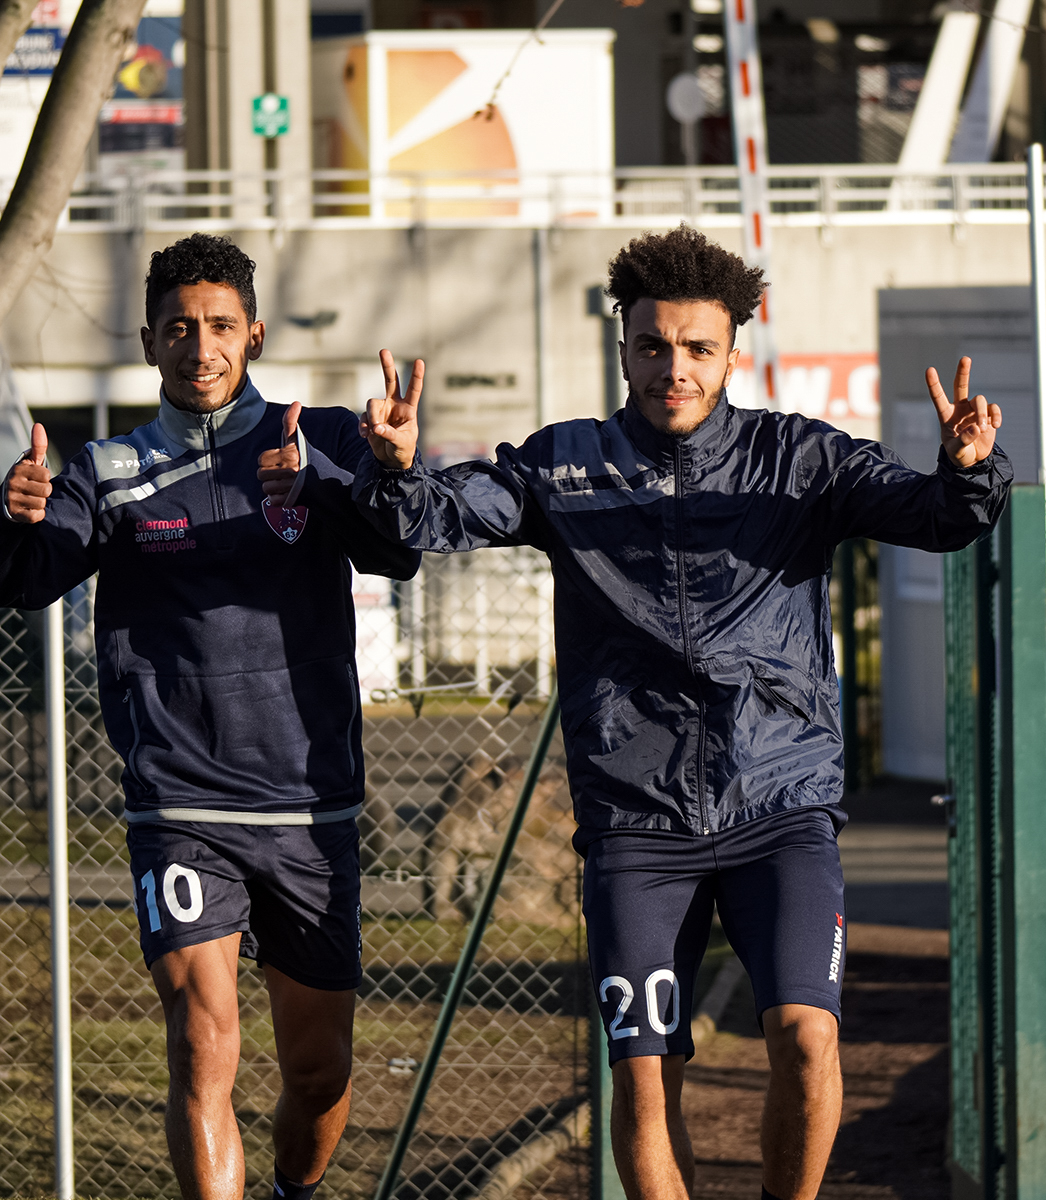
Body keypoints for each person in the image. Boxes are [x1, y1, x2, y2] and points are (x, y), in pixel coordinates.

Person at [341, 226, 1011, 1200]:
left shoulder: (799, 459)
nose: (675, 368)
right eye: (653, 345)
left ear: (734, 353)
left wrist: (965, 469)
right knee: (646, 1077)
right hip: (635, 822)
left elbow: (938, 517)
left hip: (779, 807)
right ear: (624, 347)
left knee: (806, 1038)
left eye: (699, 347)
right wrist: (398, 468)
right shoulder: (563, 465)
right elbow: (434, 516)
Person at [0, 234, 419, 1200]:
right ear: (148, 342)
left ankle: (294, 1190)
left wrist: (382, 471)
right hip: (179, 806)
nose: (199, 347)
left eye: (219, 326)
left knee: (319, 1071)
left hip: (310, 808)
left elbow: (396, 550)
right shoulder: (110, 469)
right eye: (178, 328)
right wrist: (12, 515)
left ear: (254, 335)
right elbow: (10, 581)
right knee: (202, 1041)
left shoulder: (317, 439)